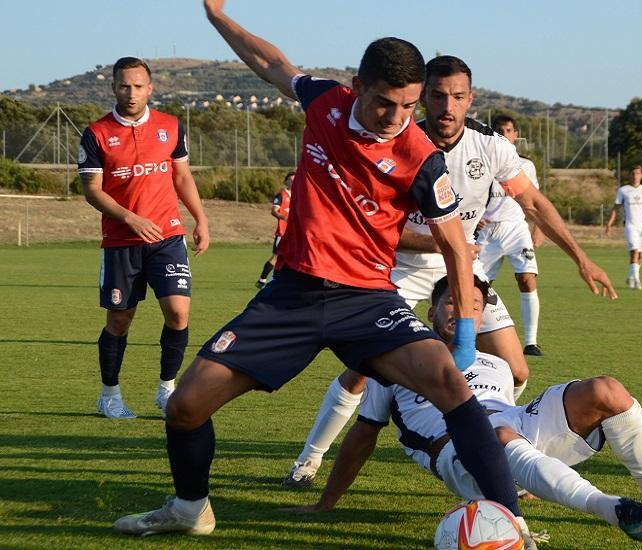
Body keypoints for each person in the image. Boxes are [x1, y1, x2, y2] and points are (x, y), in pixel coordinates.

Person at [113, 2, 535, 543]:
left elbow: (456, 245)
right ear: (357, 86)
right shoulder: (326, 103)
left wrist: (466, 337)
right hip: (292, 294)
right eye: (385, 102)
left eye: (409, 105)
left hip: (367, 300)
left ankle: (508, 520)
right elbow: (270, 61)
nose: (397, 116)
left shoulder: (422, 156)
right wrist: (217, 16)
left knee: (454, 386)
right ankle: (189, 507)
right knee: (187, 404)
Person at [282, 55, 617, 490]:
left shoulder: (491, 146)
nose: (447, 106)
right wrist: (446, 242)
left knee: (515, 369)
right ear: (422, 99)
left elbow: (532, 202)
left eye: (457, 97)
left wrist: (581, 257)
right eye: (437, 96)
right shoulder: (397, 143)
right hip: (397, 271)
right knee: (362, 373)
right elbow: (377, 228)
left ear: (470, 99)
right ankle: (308, 462)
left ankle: (494, 454)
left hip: (463, 269)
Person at [297, 276, 642, 543]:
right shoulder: (396, 363)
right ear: (431, 310)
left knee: (606, 390)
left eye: (473, 306)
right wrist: (326, 503)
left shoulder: (497, 364)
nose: (461, 310)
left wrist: (520, 472)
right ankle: (616, 511)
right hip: (456, 451)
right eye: (451, 302)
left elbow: (513, 418)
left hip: (512, 431)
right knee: (498, 436)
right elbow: (363, 435)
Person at [78, 56, 209, 420]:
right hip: (121, 242)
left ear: (150, 88)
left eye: (138, 86)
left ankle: (167, 389)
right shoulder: (97, 133)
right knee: (120, 321)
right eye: (124, 86)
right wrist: (130, 218)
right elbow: (92, 190)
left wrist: (200, 218)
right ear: (114, 88)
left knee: (178, 313)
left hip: (167, 236)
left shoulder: (170, 126)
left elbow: (182, 177)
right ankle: (110, 394)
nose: (131, 93)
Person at [476, 115, 545, 356]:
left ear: (516, 135)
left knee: (527, 279)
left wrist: (539, 228)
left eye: (508, 130)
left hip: (516, 229)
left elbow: (533, 200)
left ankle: (531, 341)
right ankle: (474, 336)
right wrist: (475, 217)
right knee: (478, 286)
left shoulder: (526, 165)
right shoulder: (482, 160)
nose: (504, 133)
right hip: (486, 232)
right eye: (499, 130)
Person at [605, 165, 642, 289]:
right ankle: (637, 280)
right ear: (629, 175)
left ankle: (630, 276)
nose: (635, 176)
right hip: (630, 225)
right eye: (633, 173)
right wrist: (609, 223)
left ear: (641, 175)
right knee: (634, 250)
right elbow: (616, 208)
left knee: (641, 254)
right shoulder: (623, 190)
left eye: (637, 173)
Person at [255, 171, 294, 288]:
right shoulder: (281, 195)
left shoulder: (298, 195)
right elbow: (274, 211)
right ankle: (262, 280)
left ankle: (285, 280)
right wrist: (283, 217)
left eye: (295, 180)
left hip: (294, 233)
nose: (293, 182)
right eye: (290, 180)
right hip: (283, 232)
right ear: (286, 181)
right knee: (276, 257)